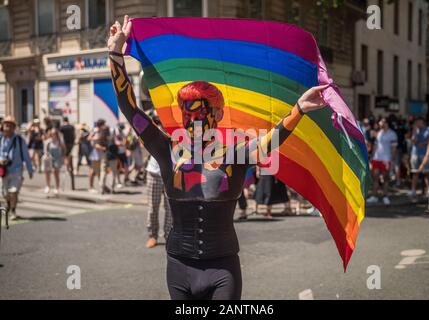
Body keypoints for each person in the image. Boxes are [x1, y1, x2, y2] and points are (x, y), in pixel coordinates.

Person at [108, 15, 327, 300]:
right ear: (180, 114)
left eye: (201, 111)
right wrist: (115, 53)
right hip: (178, 268)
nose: (194, 118)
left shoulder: (235, 155)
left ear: (220, 114)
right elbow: (131, 110)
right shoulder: (166, 151)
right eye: (188, 112)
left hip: (223, 271)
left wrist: (299, 108)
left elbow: (270, 141)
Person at [0, 116, 33, 220]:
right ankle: (9, 205)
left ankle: (13, 210)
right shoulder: (1, 138)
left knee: (13, 191)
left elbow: (26, 156)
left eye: (10, 125)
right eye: (6, 125)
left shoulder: (19, 140)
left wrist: (30, 170)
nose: (7, 128)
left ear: (14, 127)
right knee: (5, 193)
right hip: (4, 171)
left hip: (16, 170)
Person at [367, 118, 398, 205]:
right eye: (380, 122)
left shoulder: (392, 134)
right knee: (375, 177)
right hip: (377, 158)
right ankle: (374, 196)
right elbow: (376, 146)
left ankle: (385, 196)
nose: (380, 123)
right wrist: (372, 157)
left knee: (385, 178)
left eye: (382, 122)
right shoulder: (379, 133)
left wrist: (392, 160)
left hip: (386, 159)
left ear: (386, 123)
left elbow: (394, 148)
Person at [145, 155, 172, 248]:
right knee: (152, 207)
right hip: (154, 173)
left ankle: (168, 236)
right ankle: (152, 236)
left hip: (171, 174)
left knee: (170, 209)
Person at [409, 117, 429, 198]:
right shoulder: (415, 130)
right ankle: (413, 190)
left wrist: (421, 143)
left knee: (426, 172)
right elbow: (414, 141)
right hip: (415, 153)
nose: (417, 123)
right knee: (415, 172)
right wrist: (415, 132)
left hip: (424, 153)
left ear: (422, 122)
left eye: (418, 121)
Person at [43, 128, 66, 195]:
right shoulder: (48, 141)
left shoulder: (60, 141)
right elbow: (46, 150)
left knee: (56, 173)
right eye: (52, 134)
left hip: (57, 159)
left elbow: (64, 149)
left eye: (55, 133)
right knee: (47, 172)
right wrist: (47, 155)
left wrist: (63, 157)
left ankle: (57, 187)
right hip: (49, 159)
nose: (53, 135)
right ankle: (48, 186)